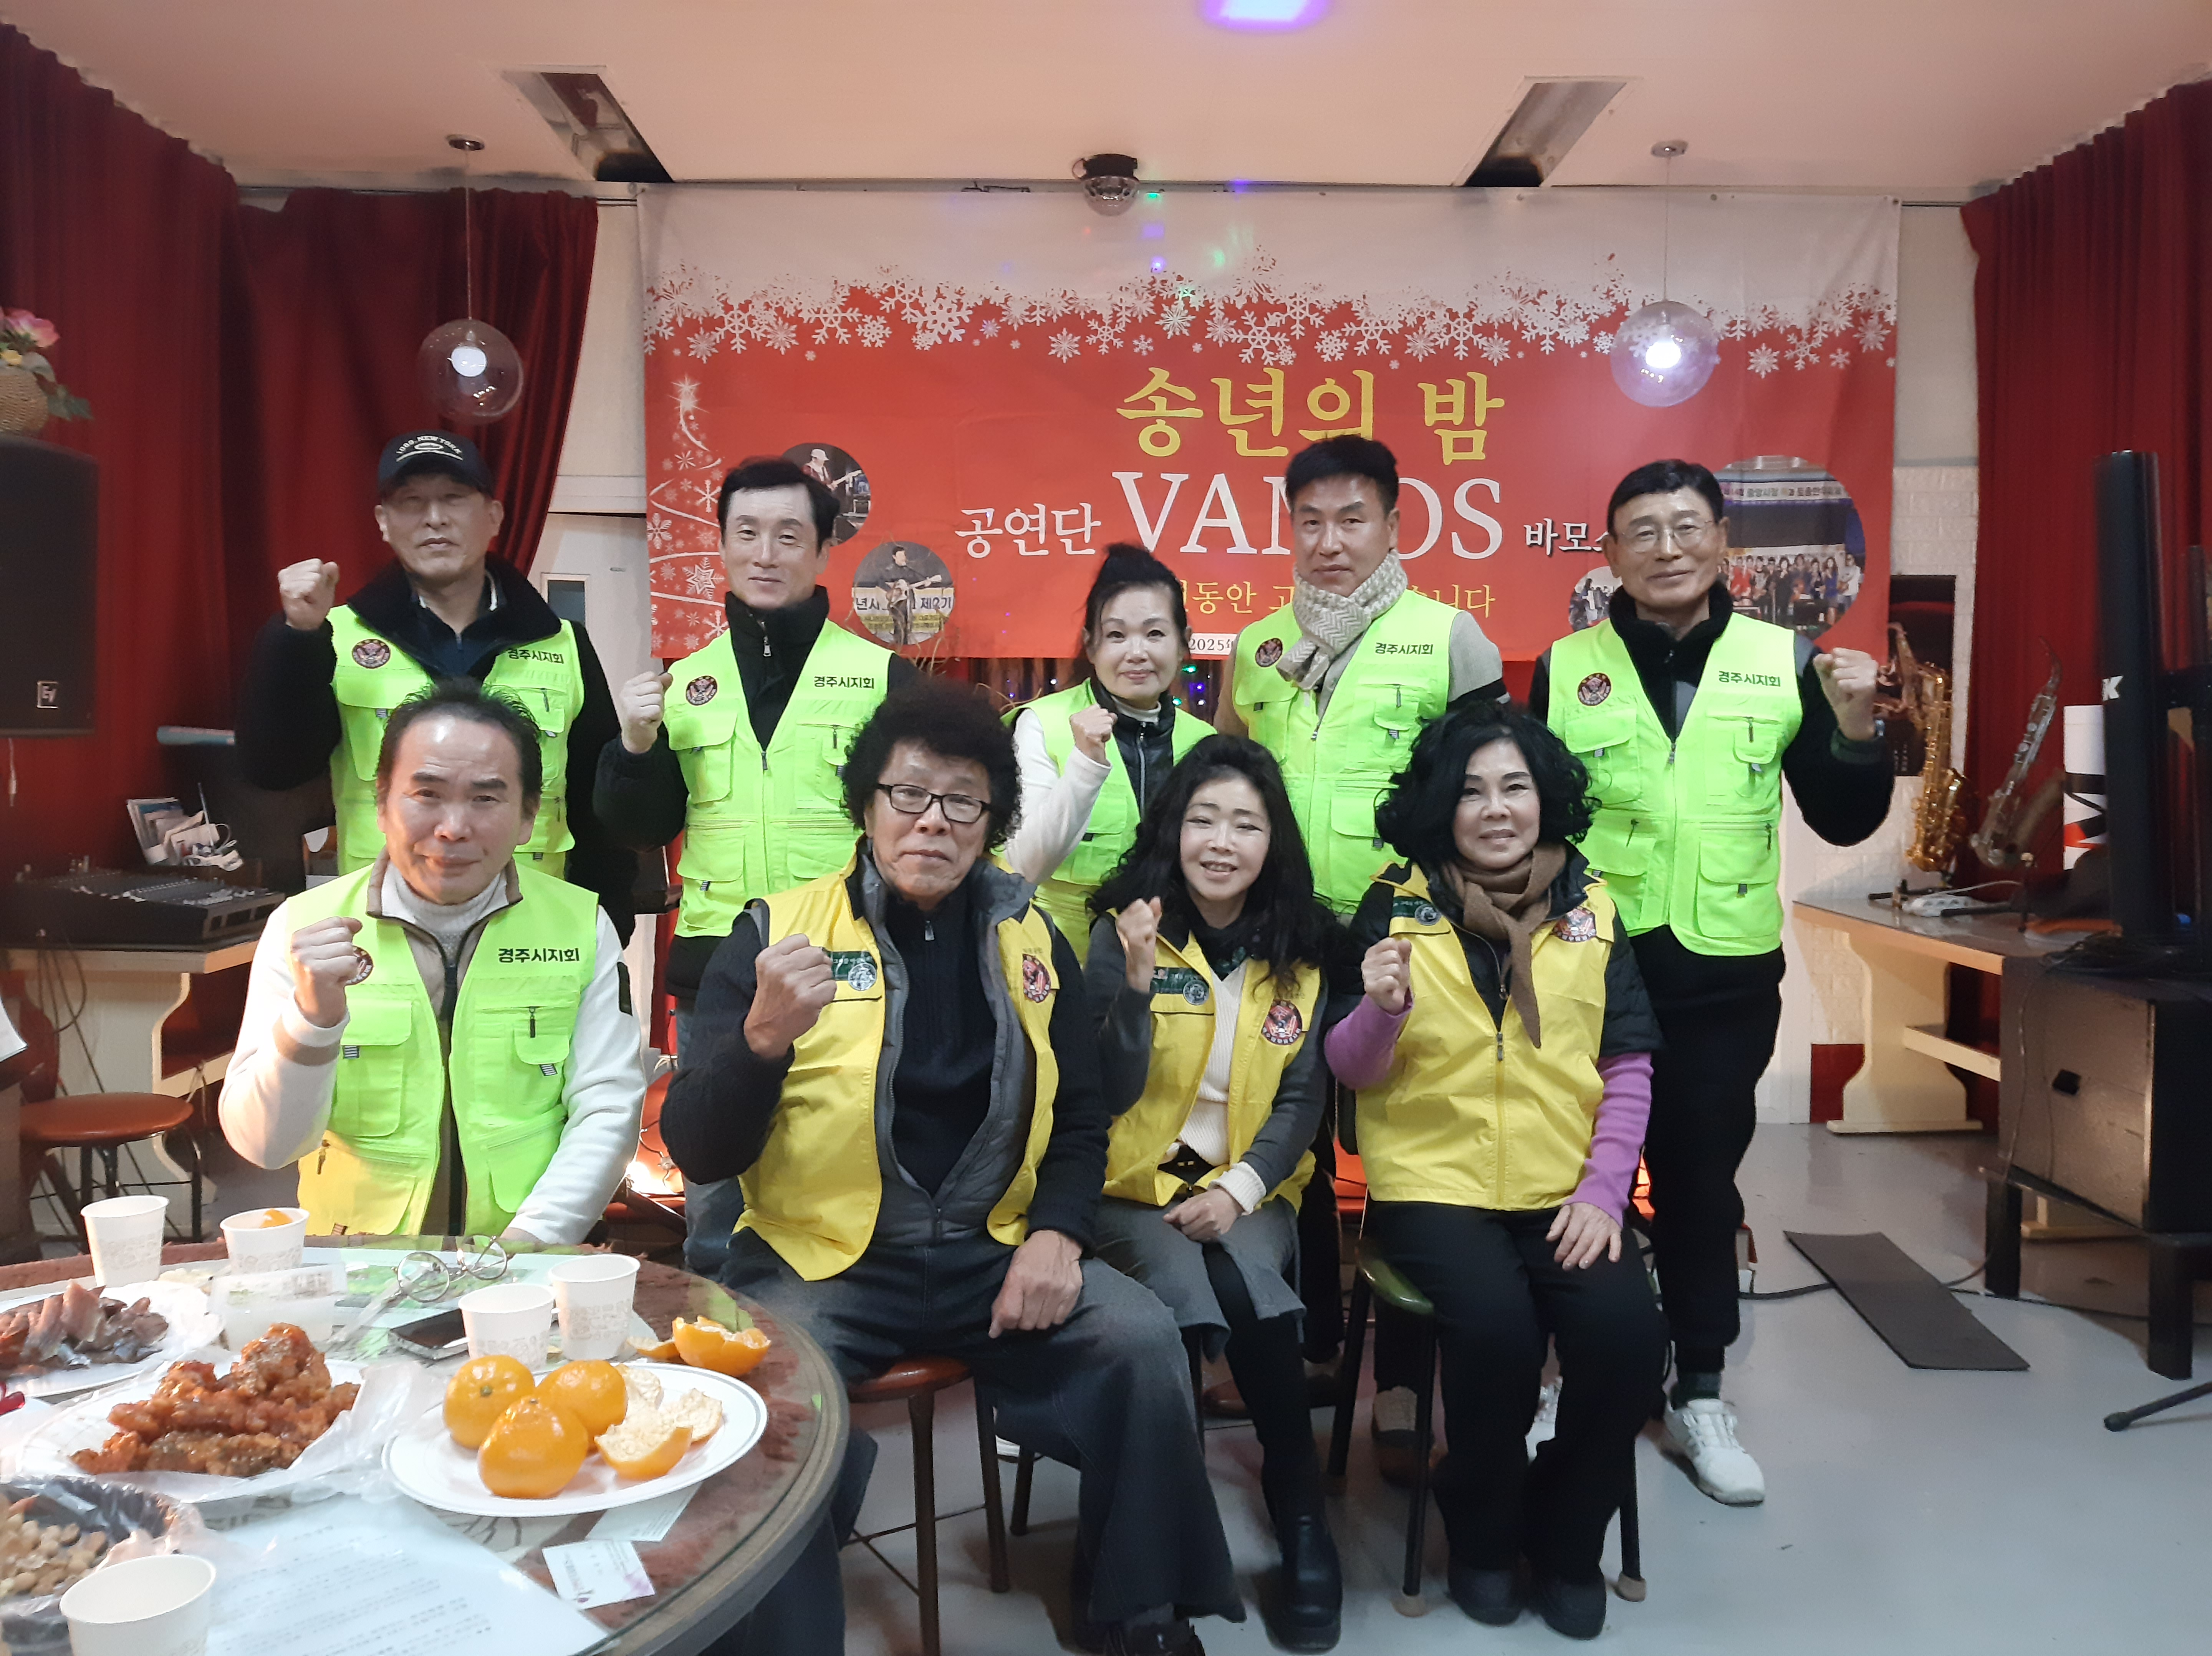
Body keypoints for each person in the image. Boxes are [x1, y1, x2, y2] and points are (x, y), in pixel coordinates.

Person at [661, 679, 1237, 1656]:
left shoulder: (1031, 936)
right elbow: (698, 1147)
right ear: (867, 805)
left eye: (963, 801)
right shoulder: (776, 934)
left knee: (1143, 1341)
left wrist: (1057, 1234)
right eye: (908, 794)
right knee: (773, 1405)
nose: (932, 820)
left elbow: (1082, 1114)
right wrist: (758, 1043)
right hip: (824, 1261)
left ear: (992, 821)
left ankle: (1135, 1612)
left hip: (990, 1250)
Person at [1533, 458, 1889, 1507]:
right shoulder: (1565, 667)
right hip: (1590, 968)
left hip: (1720, 978)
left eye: (1686, 527)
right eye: (1641, 531)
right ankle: (1569, 1376)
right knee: (1570, 1177)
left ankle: (1698, 1390)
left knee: (1695, 1186)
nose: (1667, 548)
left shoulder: (1786, 662)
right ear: (1609, 554)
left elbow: (1842, 818)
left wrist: (1855, 727)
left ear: (1723, 542)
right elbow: (1532, 815)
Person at [1326, 702, 1667, 1641]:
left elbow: (1627, 1063)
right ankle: (1481, 1529)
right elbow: (1350, 1069)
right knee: (1497, 1336)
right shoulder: (1392, 904)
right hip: (1433, 1185)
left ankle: (1564, 1531)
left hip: (1565, 1187)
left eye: (1514, 787)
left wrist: (1604, 1191)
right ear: (1443, 805)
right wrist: (1380, 1009)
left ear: (1543, 798)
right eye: (1471, 790)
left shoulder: (1593, 909)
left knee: (1627, 1339)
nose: (1494, 808)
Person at [1217, 434, 1510, 1452]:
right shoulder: (1258, 648)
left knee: (1404, 1150)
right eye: (1310, 521)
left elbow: (1489, 798)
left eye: (1352, 519)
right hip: (1283, 940)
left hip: (1408, 940)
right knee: (1282, 1140)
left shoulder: (1450, 638)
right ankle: (1306, 1344)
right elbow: (1230, 785)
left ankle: (1405, 1378)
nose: (1330, 542)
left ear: (1393, 523)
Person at [594, 455, 916, 1277]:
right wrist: (634, 745)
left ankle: (842, 1321)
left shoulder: (882, 678)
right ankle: (721, 1343)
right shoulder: (684, 684)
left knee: (851, 1161)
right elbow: (640, 826)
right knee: (714, 1191)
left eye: (788, 535)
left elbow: (921, 825)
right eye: (747, 534)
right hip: (717, 972)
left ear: (823, 550)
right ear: (723, 546)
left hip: (849, 964)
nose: (765, 554)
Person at [1084, 736, 1343, 1651]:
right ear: (1173, 829)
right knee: (1197, 1292)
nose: (1221, 842)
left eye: (1245, 823)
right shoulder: (1122, 927)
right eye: (1202, 819)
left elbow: (1303, 1100)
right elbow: (1104, 1092)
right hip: (1129, 1189)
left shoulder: (1307, 948)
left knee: (1237, 1280)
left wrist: (1237, 1191)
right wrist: (1132, 987)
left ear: (1274, 841)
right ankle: (1175, 1522)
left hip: (1251, 1188)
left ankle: (1298, 1509)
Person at [220, 681, 642, 1243]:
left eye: (486, 799)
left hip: (525, 1253)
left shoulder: (580, 925)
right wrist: (312, 1022)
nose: (453, 828)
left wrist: (532, 1242)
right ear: (381, 804)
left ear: (528, 817)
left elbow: (608, 1107)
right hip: (354, 1261)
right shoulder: (303, 927)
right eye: (427, 794)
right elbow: (265, 1145)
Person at [235, 431, 635, 939]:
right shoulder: (332, 637)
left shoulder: (563, 645)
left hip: (534, 932)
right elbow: (274, 769)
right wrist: (297, 637)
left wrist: (608, 927)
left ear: (494, 517)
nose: (434, 519)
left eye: (453, 498)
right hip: (381, 929)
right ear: (384, 522)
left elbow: (600, 816)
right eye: (411, 502)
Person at [1007, 545, 1209, 959]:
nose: (1137, 653)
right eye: (1116, 635)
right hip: (1058, 960)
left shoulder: (1204, 742)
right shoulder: (1043, 723)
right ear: (1091, 645)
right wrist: (1085, 766)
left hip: (1173, 960)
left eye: (1155, 634)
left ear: (1184, 643)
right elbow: (1025, 867)